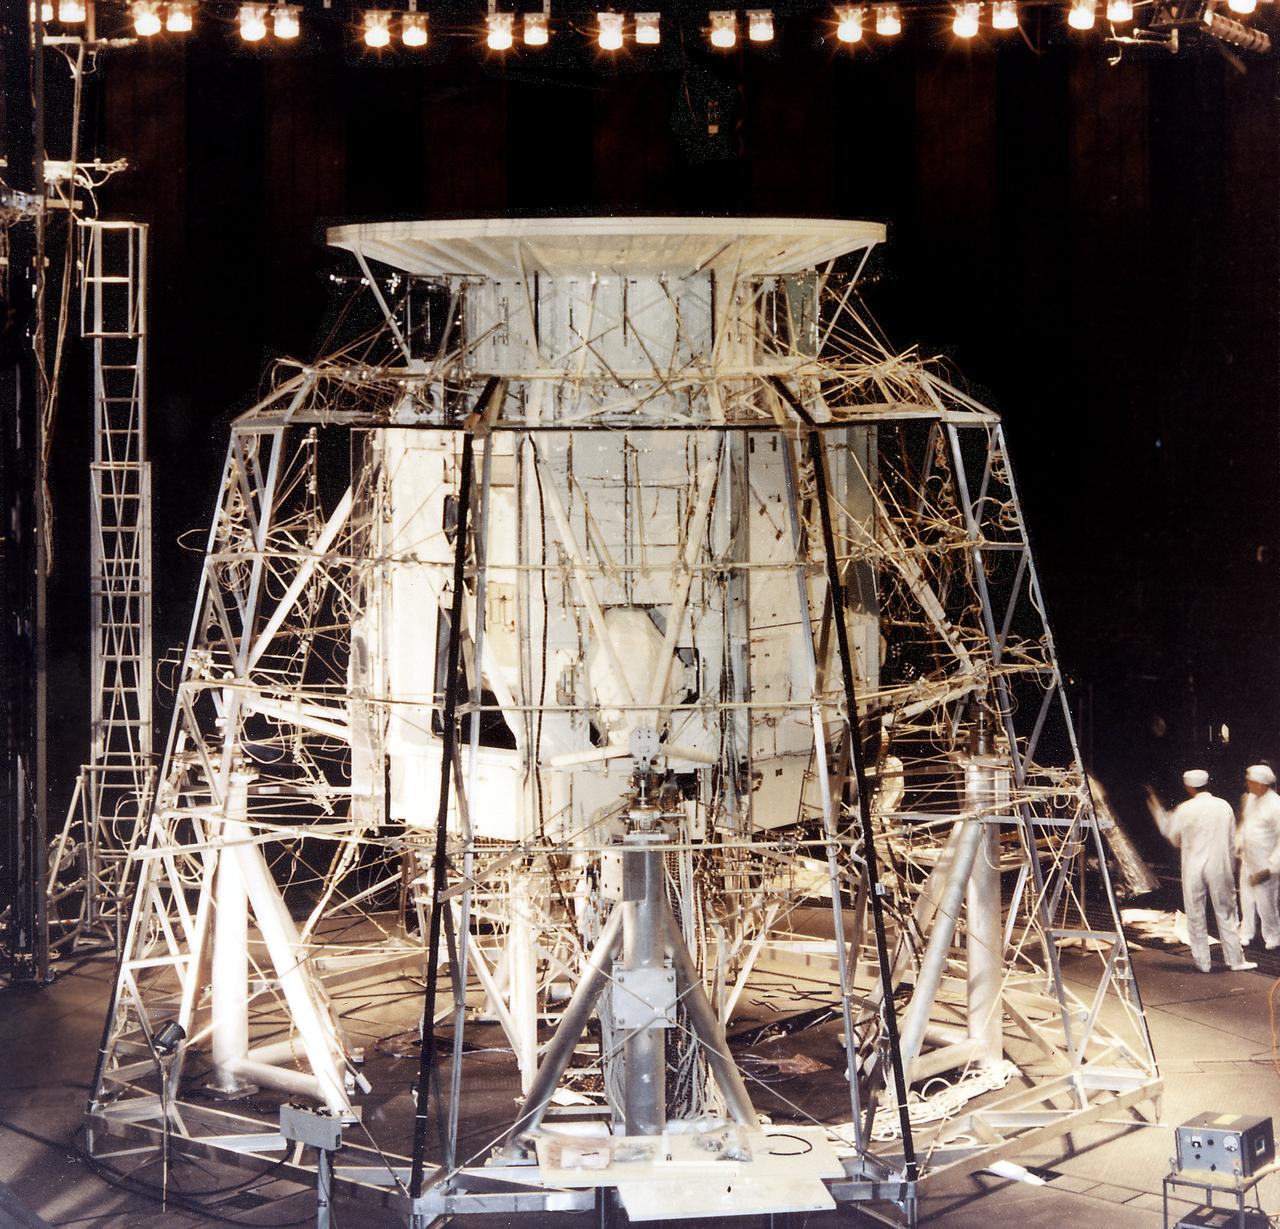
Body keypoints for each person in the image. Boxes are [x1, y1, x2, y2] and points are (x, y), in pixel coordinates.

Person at [1145, 769, 1255, 973]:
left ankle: (1202, 962)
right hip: (1220, 865)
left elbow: (1173, 837)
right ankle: (1236, 960)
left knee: (1195, 911)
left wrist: (1155, 806)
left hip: (1193, 865)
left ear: (1189, 787)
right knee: (1226, 912)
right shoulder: (1224, 806)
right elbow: (1232, 838)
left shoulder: (1185, 808)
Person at [1237, 763, 1280, 949]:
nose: (1247, 785)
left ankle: (1273, 935)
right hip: (1248, 859)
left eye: (1250, 782)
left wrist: (1271, 867)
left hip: (1266, 863)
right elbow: (1244, 826)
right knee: (1246, 899)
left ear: (1261, 784)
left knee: (1266, 902)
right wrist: (1238, 845)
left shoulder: (1276, 804)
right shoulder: (1250, 799)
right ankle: (1246, 932)